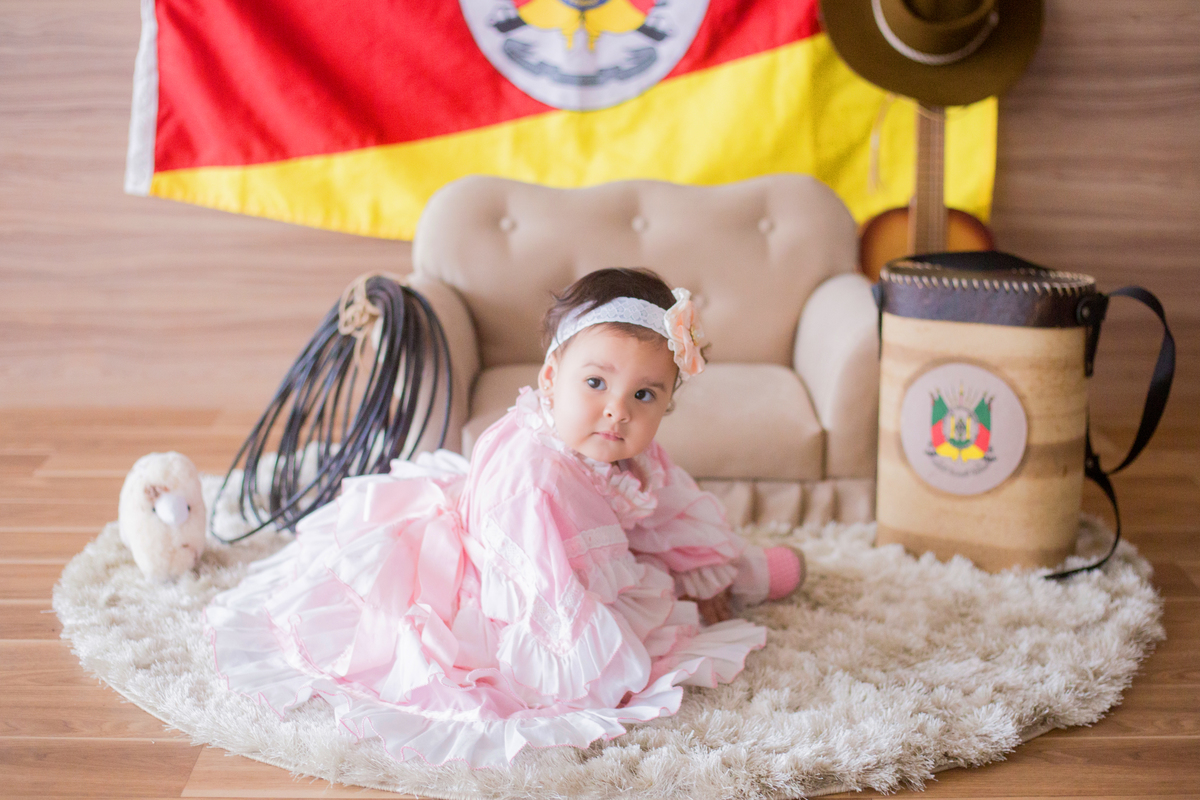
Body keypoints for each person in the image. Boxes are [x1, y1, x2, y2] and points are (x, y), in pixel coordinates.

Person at [204, 268, 806, 768]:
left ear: (667, 402)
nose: (617, 411)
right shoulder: (532, 481)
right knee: (630, 627)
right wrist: (651, 610)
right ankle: (705, 584)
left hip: (567, 537)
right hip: (509, 569)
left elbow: (667, 506)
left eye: (644, 396)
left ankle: (734, 571)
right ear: (551, 378)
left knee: (665, 541)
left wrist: (717, 567)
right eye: (595, 382)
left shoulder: (615, 446)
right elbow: (549, 591)